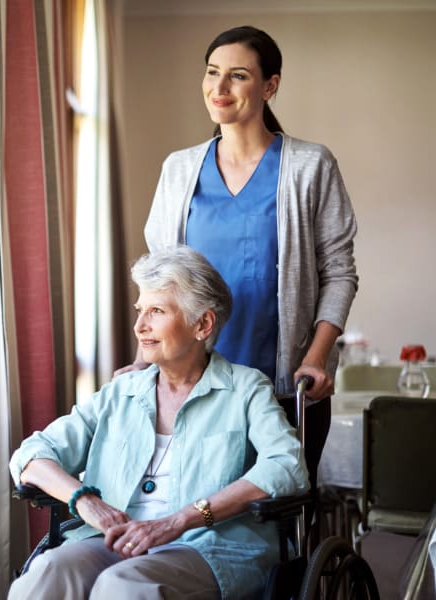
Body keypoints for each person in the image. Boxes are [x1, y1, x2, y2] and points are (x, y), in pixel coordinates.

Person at [115, 25, 358, 495]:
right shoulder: (180, 169)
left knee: (280, 522)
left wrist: (315, 357)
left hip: (285, 389)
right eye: (212, 73)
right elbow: (158, 283)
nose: (219, 89)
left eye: (238, 76)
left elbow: (340, 272)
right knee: (193, 516)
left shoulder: (310, 166)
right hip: (192, 388)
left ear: (270, 86)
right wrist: (145, 359)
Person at [8, 246, 309, 600]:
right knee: (48, 571)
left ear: (203, 324)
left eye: (156, 311)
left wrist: (179, 520)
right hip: (113, 540)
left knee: (122, 586)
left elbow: (286, 465)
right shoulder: (121, 392)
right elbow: (31, 455)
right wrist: (85, 501)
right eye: (139, 311)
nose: (139, 326)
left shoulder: (245, 388)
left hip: (207, 547)